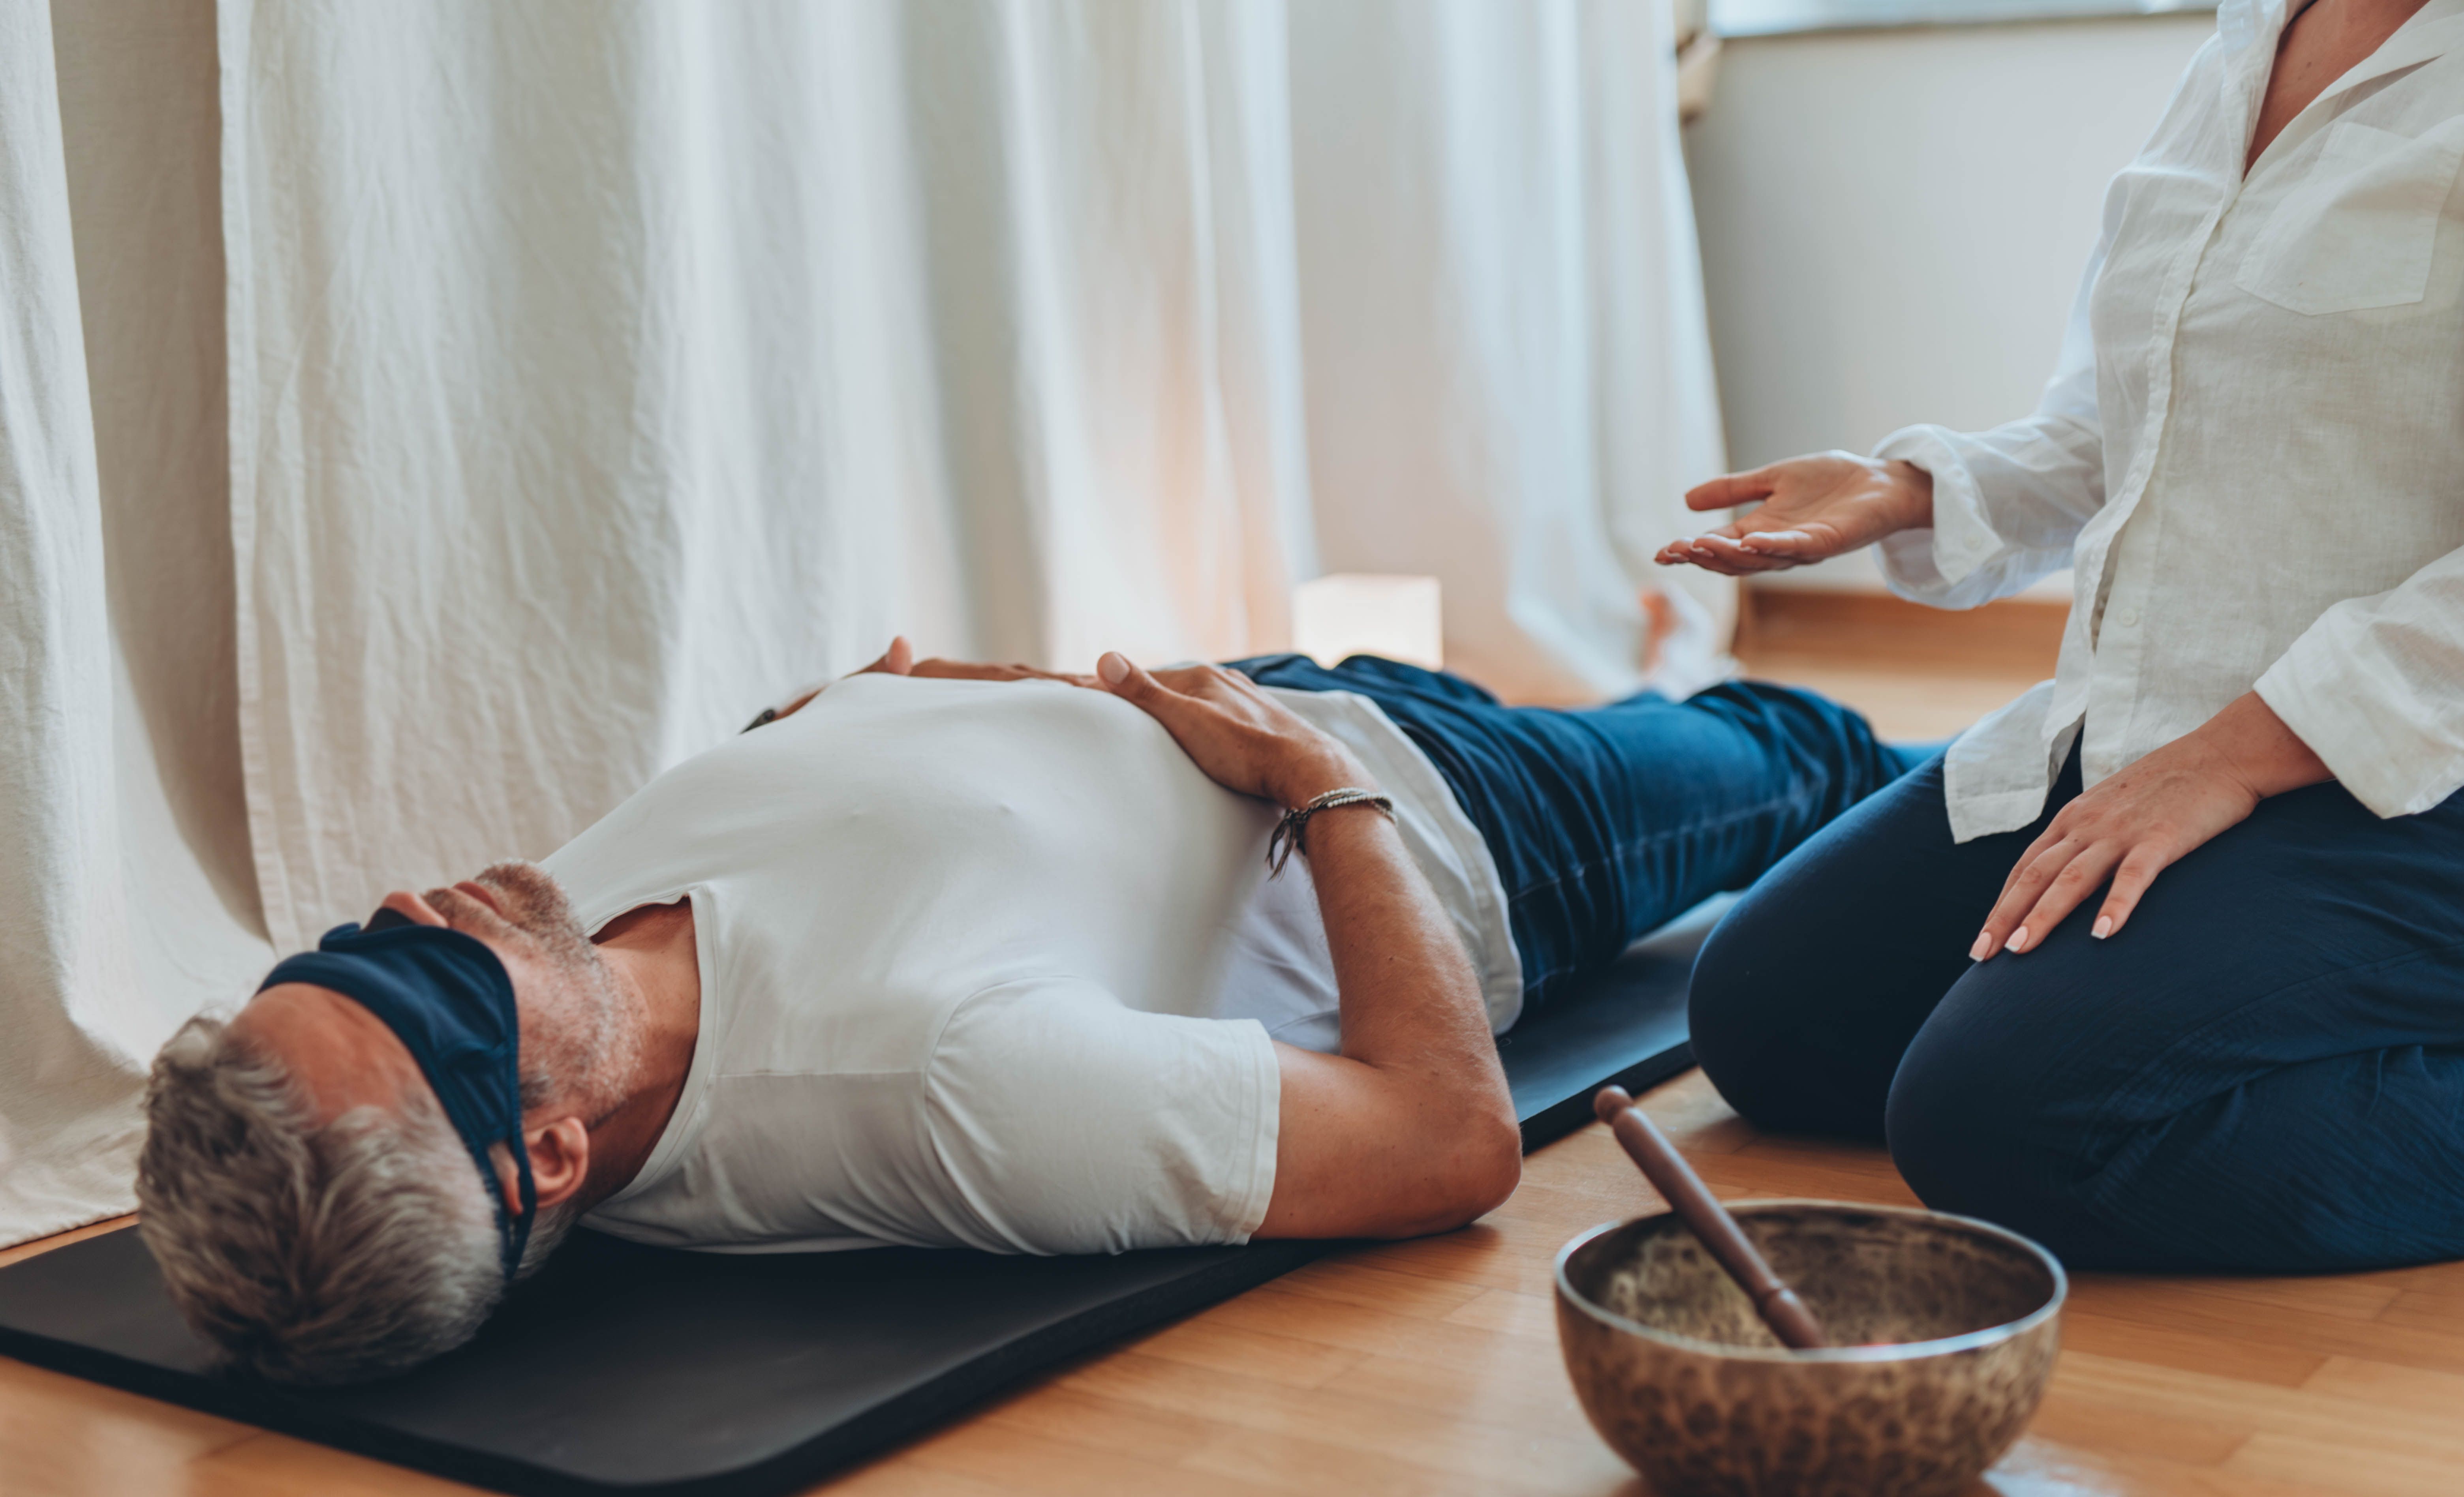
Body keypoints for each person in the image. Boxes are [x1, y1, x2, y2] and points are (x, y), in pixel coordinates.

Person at [136, 636, 1917, 1384]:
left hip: (1230, 696)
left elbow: (822, 753)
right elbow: (1446, 1144)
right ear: (546, 1147)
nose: (405, 911)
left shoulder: (553, 972)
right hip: (1452, 814)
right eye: (419, 979)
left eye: (332, 951)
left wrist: (885, 703)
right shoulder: (931, 1083)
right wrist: (1313, 776)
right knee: (1809, 752)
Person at [1661, 0, 2464, 1273]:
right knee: (1776, 1021)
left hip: (2404, 768)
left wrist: (2244, 750)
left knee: (2005, 1121)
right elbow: (2132, 418)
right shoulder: (2253, 31)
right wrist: (1911, 486)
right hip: (2155, 723)